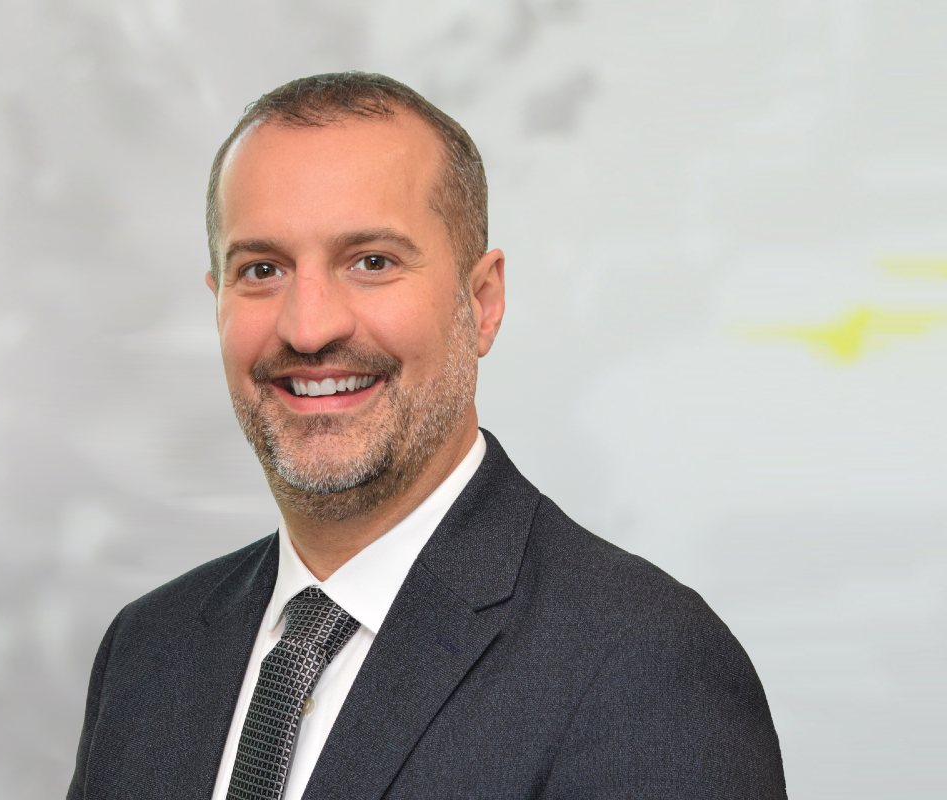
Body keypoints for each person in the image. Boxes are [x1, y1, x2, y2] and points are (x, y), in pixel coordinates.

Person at [66, 72, 787, 799]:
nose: (309, 327)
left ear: (483, 301)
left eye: (372, 262)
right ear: (216, 301)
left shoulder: (643, 665)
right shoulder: (148, 651)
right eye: (262, 269)